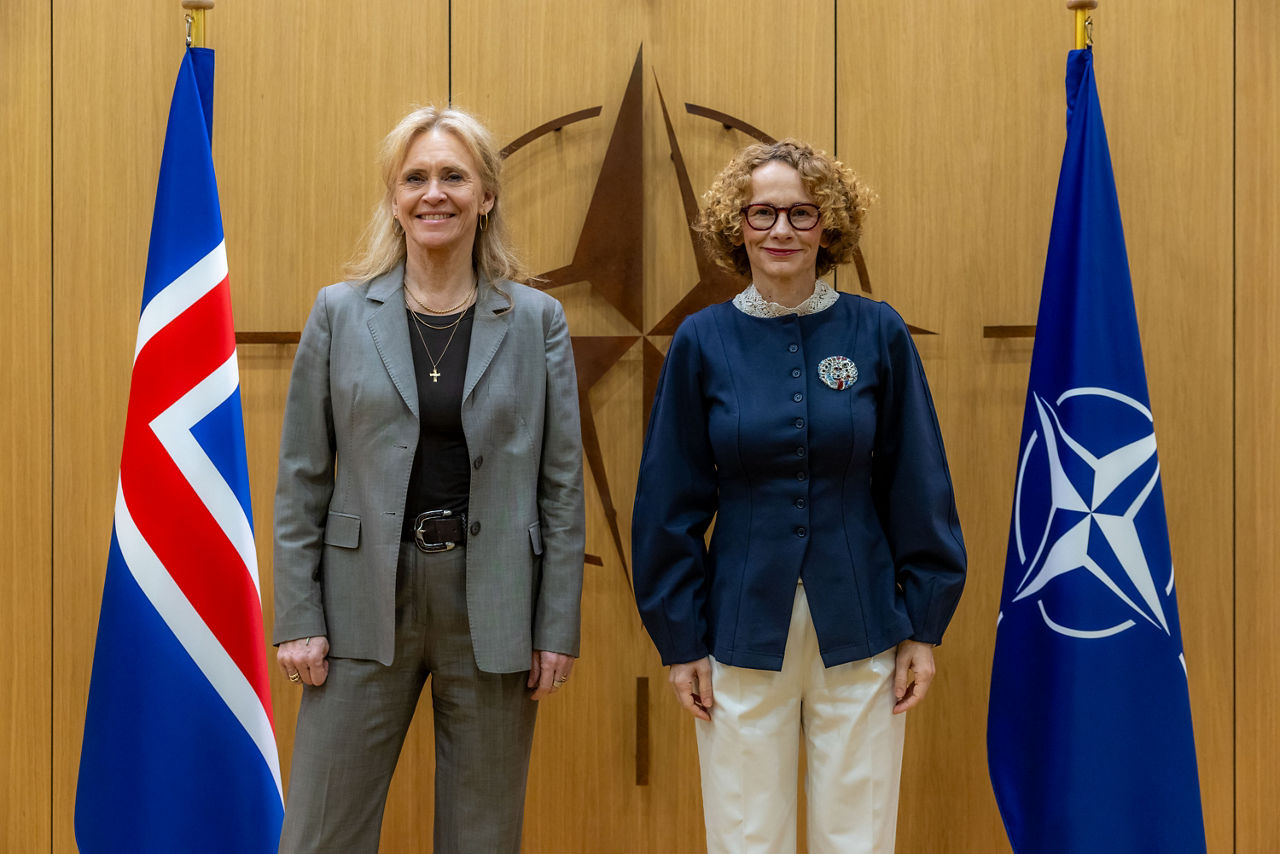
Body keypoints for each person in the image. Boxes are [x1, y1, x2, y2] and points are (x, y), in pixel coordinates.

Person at [632, 139, 966, 853]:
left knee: (859, 836)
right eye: (762, 213)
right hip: (739, 626)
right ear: (737, 225)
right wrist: (679, 639)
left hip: (863, 622)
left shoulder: (877, 331)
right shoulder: (701, 341)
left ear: (829, 225)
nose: (780, 230)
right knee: (746, 835)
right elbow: (669, 500)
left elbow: (918, 482)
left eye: (801, 213)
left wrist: (924, 624)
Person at [272, 105, 585, 854]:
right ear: (394, 197)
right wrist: (297, 614)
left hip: (494, 604)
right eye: (415, 178)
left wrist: (555, 626)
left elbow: (561, 487)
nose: (433, 193)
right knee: (320, 834)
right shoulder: (339, 313)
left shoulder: (537, 320)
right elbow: (301, 478)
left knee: (482, 836)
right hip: (359, 601)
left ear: (486, 196)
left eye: (453, 176)